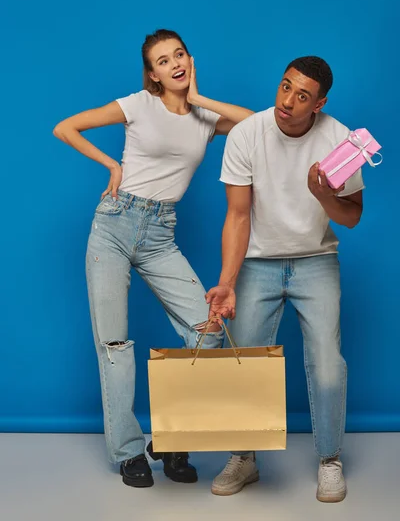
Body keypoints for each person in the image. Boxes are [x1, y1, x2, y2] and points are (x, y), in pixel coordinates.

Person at [53, 29, 254, 488]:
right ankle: (128, 452)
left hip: (161, 233)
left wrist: (200, 97)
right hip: (115, 225)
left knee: (207, 330)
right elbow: (65, 126)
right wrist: (112, 166)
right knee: (115, 345)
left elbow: (256, 121)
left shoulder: (204, 117)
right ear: (153, 75)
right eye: (163, 61)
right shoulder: (137, 105)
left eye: (179, 55)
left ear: (190, 59)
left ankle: (171, 439)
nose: (174, 64)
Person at [206, 56, 364, 503]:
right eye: (285, 87)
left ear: (319, 104)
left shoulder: (339, 139)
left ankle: (329, 459)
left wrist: (323, 196)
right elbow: (237, 216)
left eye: (302, 96)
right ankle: (244, 457)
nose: (288, 101)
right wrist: (227, 281)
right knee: (244, 362)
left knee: (328, 365)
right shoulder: (246, 134)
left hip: (317, 260)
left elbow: (351, 216)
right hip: (258, 262)